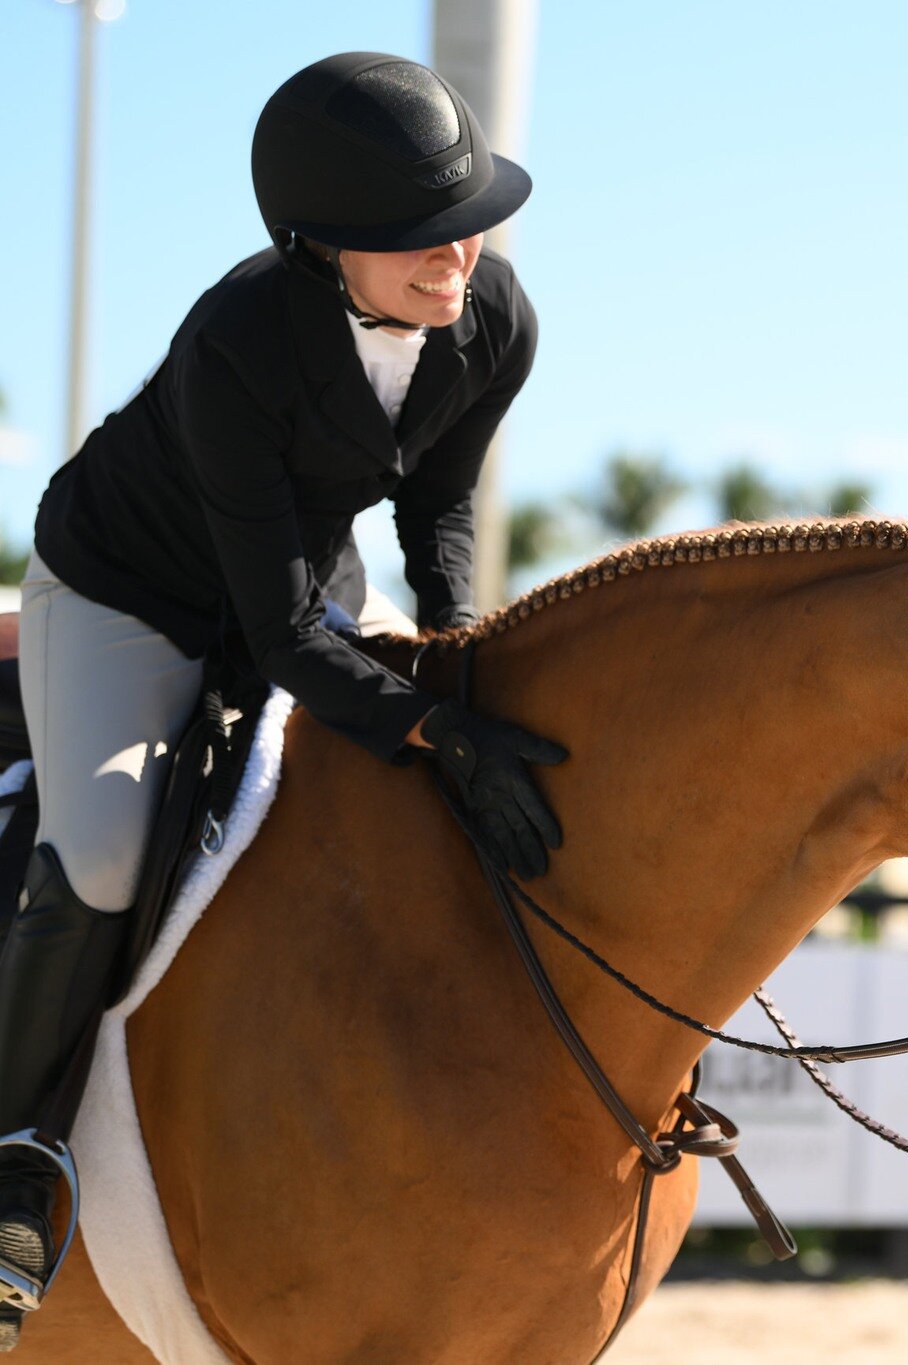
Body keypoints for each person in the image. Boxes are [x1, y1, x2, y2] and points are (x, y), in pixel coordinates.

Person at [0, 52, 565, 1343]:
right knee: (96, 852)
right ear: (317, 247)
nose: (455, 258)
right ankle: (14, 1146)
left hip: (309, 574)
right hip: (130, 598)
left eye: (466, 221)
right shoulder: (236, 342)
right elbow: (274, 637)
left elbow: (440, 506)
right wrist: (426, 723)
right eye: (418, 239)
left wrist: (457, 655)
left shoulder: (494, 321)